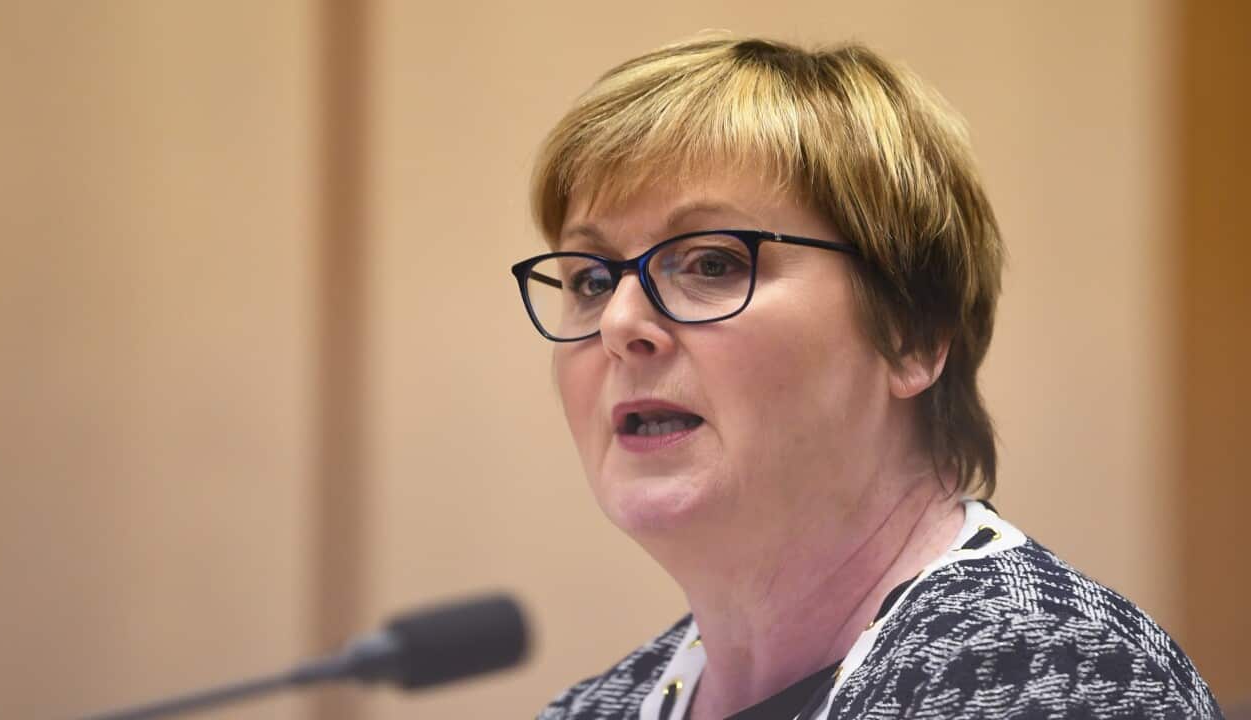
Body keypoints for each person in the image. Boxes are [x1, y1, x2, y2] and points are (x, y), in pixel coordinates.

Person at [510, 34, 1223, 719]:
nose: (618, 323)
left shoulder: (1050, 670)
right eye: (593, 278)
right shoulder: (592, 708)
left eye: (712, 263)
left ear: (911, 333)